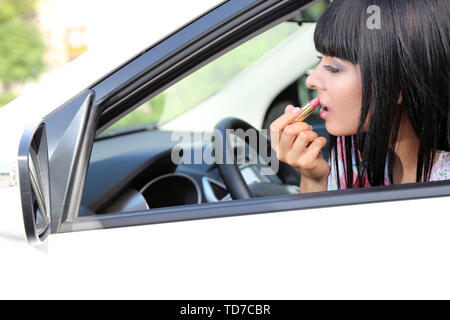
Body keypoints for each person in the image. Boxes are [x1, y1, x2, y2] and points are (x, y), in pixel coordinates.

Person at [270, 0, 449, 193]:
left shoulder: (443, 183)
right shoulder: (351, 158)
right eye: (319, 60)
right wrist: (313, 178)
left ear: (396, 85)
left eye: (334, 68)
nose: (311, 80)